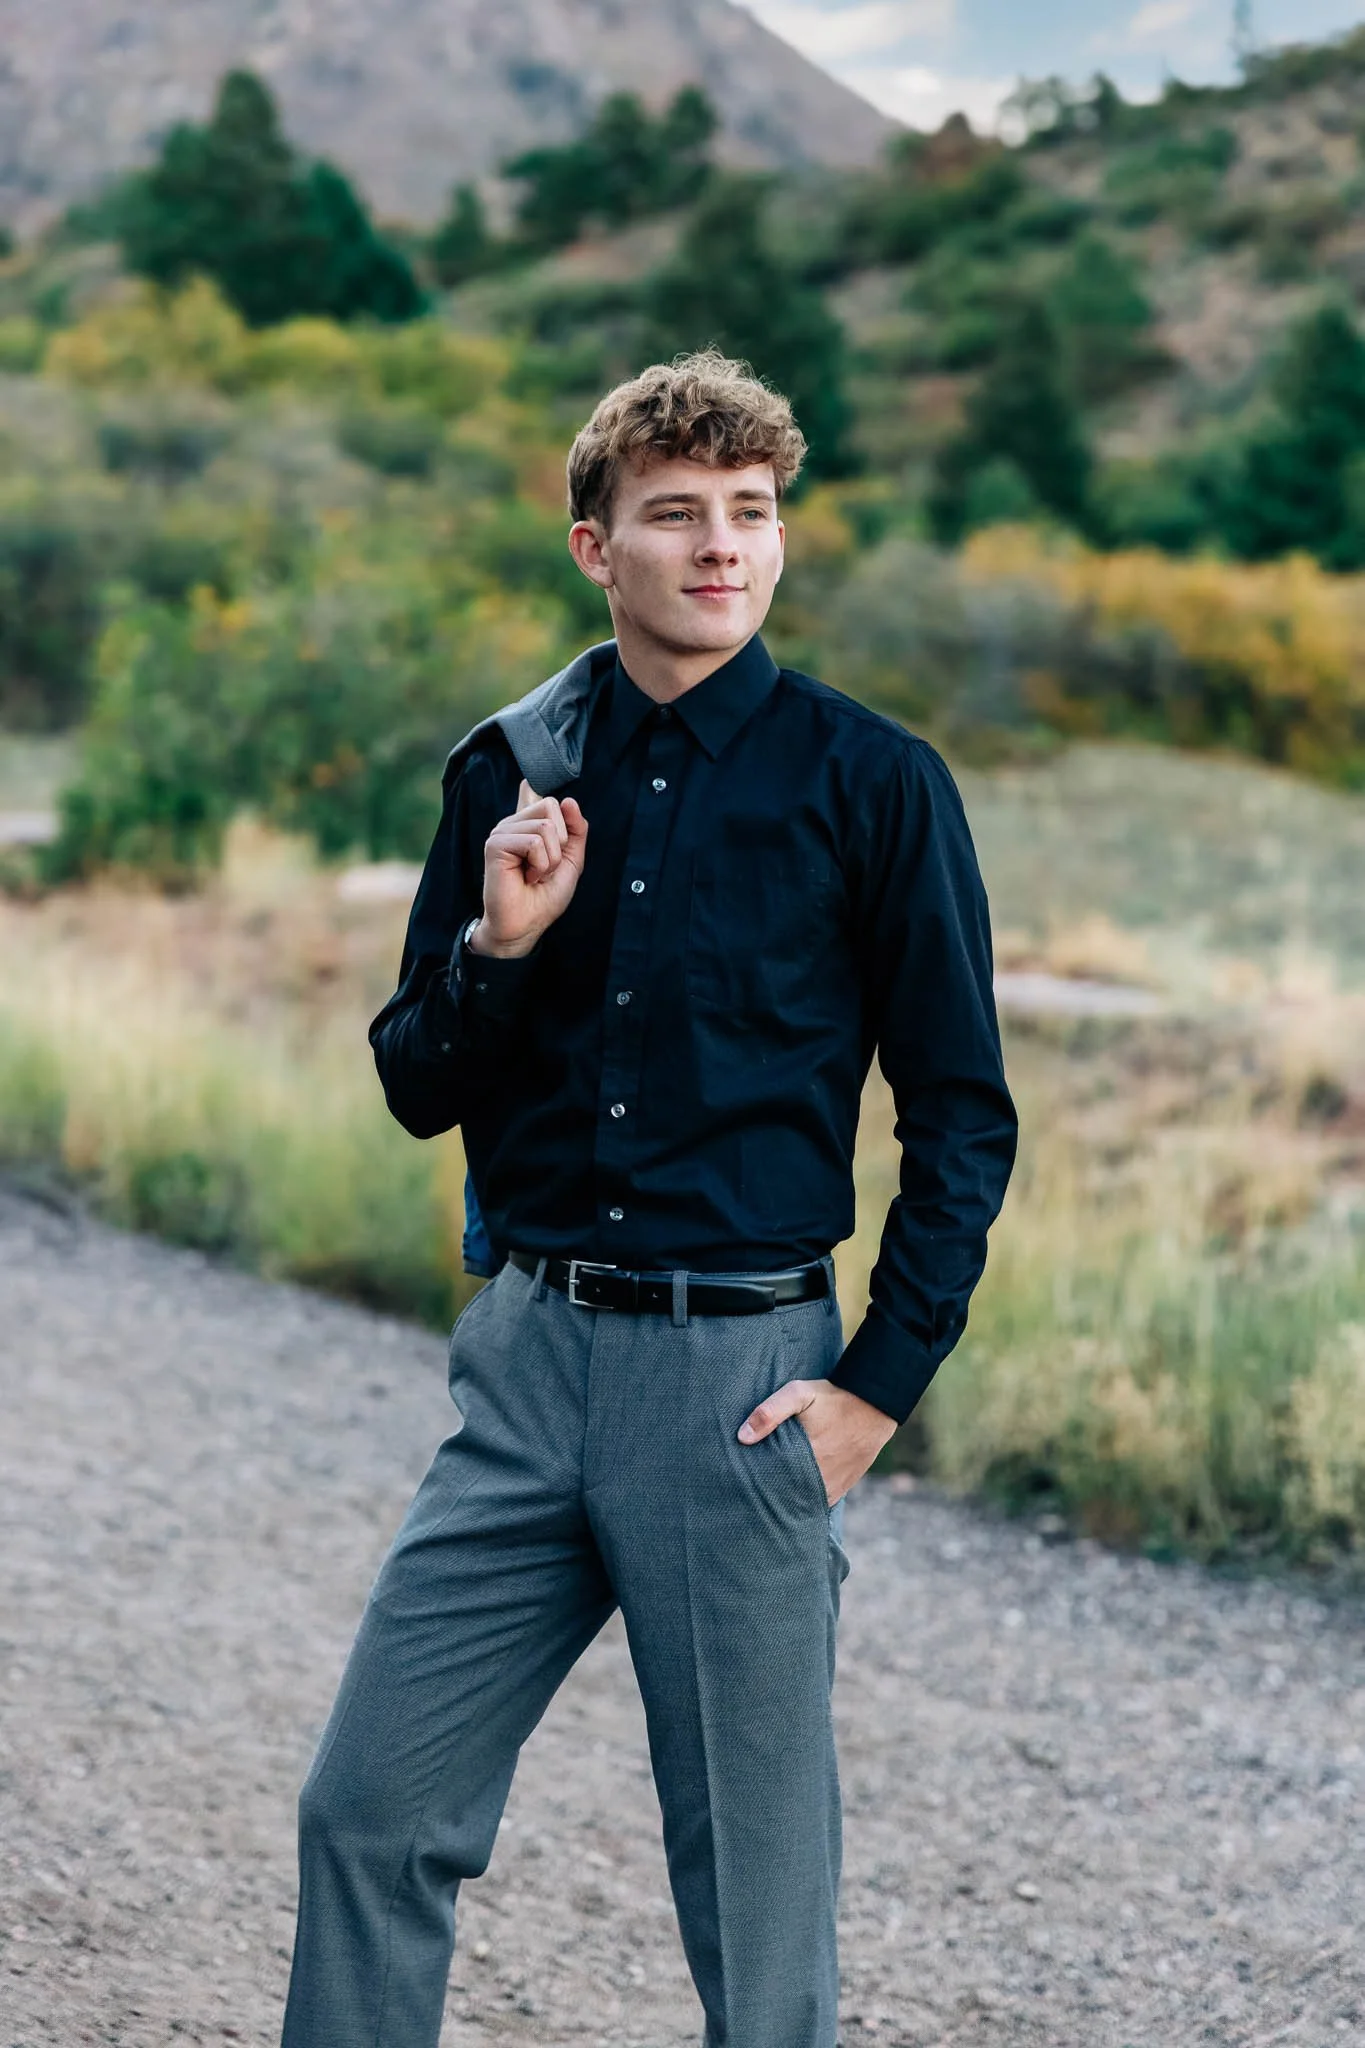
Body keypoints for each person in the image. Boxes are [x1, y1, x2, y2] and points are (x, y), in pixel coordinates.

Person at [280, 350, 1017, 2048]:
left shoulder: (874, 782)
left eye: (751, 513)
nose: (721, 547)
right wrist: (498, 949)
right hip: (527, 1371)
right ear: (593, 548)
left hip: (739, 1388)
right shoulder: (508, 772)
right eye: (676, 514)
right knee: (368, 1814)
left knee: (759, 1922)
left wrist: (876, 1389)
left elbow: (963, 1115)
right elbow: (413, 1082)